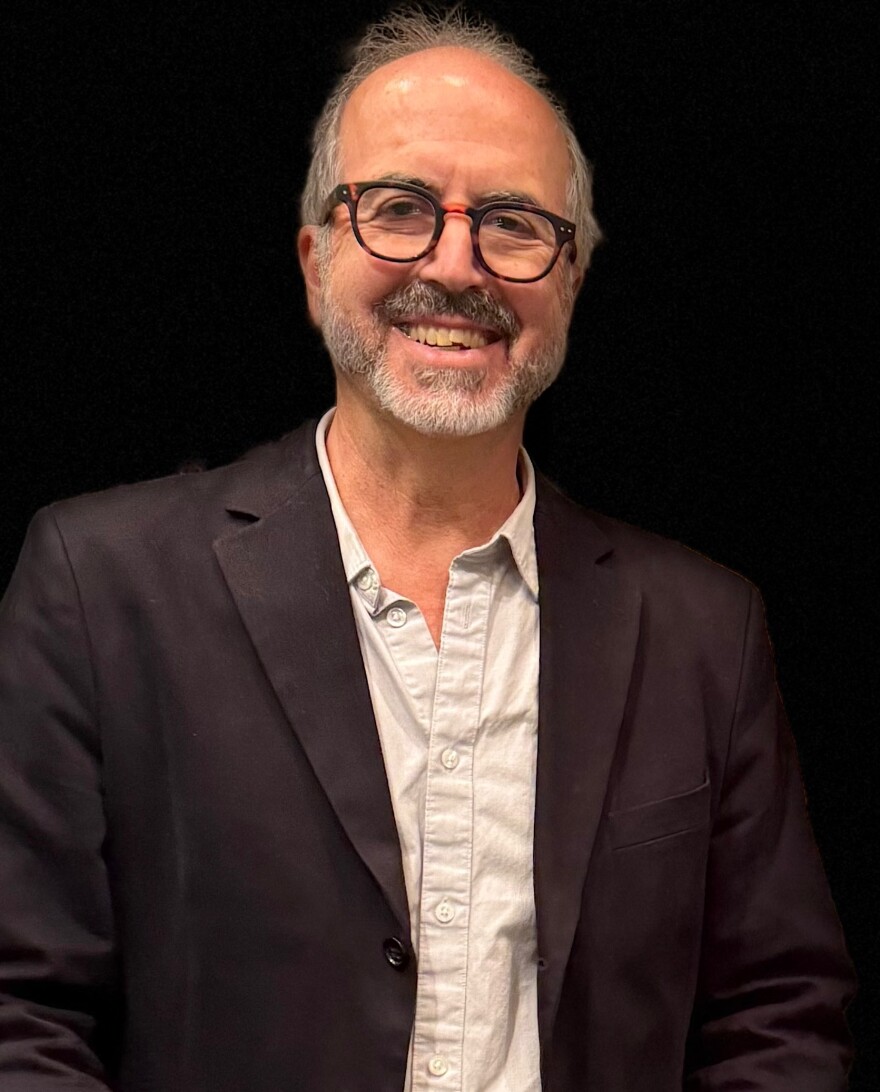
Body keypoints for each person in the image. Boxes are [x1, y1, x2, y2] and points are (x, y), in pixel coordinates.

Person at [0, 7, 855, 1090]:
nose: (456, 267)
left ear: (572, 278)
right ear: (314, 263)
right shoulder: (98, 583)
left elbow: (775, 1016)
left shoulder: (704, 630)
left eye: (511, 223)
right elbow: (22, 1009)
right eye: (398, 209)